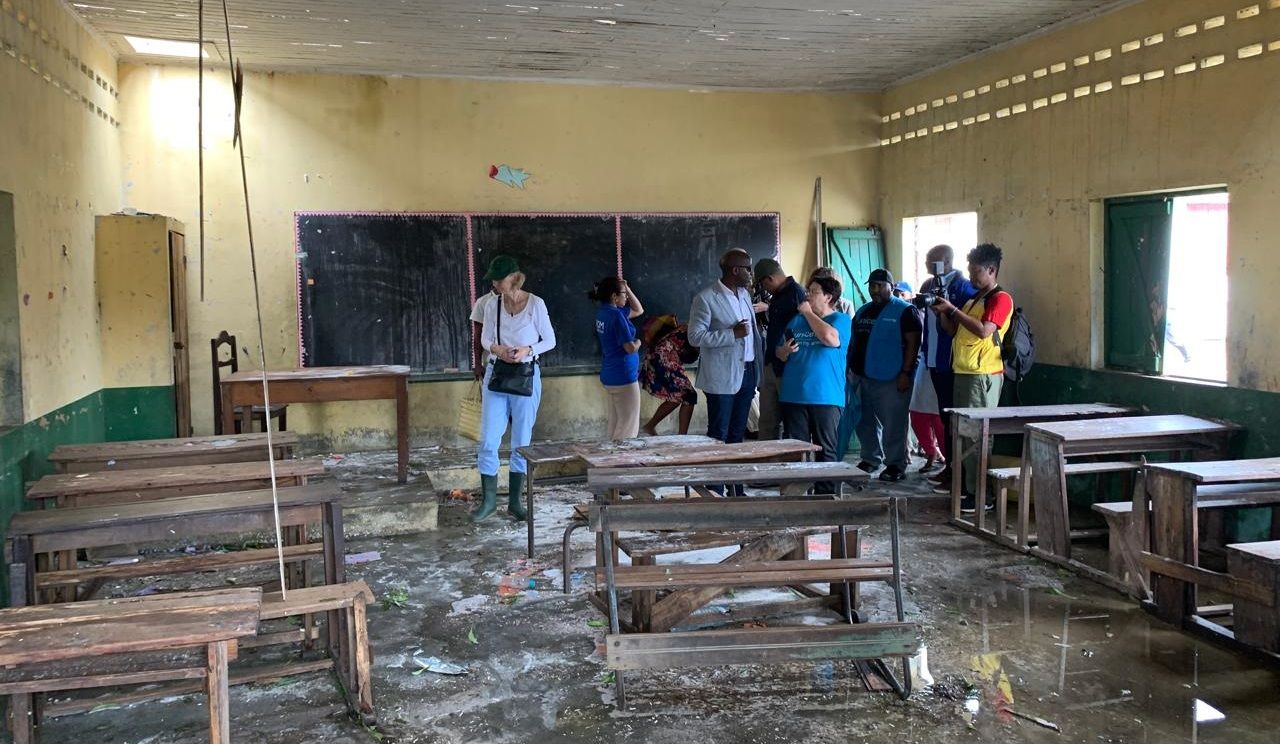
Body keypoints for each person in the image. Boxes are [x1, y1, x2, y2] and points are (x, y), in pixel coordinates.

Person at [930, 243, 1013, 512]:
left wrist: (953, 310)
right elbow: (952, 331)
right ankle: (969, 489)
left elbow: (984, 331)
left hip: (982, 375)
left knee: (978, 436)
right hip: (964, 372)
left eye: (976, 271)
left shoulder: (1001, 299)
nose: (971, 276)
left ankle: (981, 496)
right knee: (964, 435)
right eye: (970, 270)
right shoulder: (973, 300)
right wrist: (944, 312)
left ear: (992, 270)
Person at [473, 256, 557, 523]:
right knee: (488, 439)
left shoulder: (536, 304)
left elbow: (550, 340)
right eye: (494, 280)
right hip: (497, 374)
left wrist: (527, 350)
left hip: (526, 374)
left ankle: (515, 502)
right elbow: (485, 338)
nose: (496, 284)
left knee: (521, 440)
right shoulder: (491, 304)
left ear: (515, 278)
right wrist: (497, 349)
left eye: (500, 279)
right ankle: (488, 502)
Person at [776, 275, 851, 492]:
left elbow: (830, 339)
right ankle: (796, 496)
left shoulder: (840, 320)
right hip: (793, 394)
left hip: (825, 396)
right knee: (794, 450)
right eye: (807, 290)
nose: (807, 295)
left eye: (813, 291)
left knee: (825, 450)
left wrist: (808, 313)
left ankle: (825, 497)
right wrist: (784, 351)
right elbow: (780, 352)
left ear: (828, 297)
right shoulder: (796, 321)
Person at [848, 268, 921, 482]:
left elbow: (913, 344)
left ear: (891, 286)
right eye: (872, 286)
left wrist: (906, 373)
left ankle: (895, 464)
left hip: (892, 378)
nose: (875, 290)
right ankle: (870, 458)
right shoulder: (863, 311)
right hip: (862, 376)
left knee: (893, 424)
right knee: (864, 421)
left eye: (880, 286)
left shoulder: (905, 311)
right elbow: (853, 342)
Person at [689, 248, 763, 456]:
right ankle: (716, 477)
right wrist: (732, 334)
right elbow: (695, 337)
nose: (751, 273)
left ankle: (735, 478)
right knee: (719, 433)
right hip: (721, 376)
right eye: (748, 269)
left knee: (738, 433)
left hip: (748, 372)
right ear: (735, 270)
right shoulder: (706, 298)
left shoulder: (745, 295)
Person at [917, 245, 977, 491]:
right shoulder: (930, 285)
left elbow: (966, 320)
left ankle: (959, 473)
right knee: (945, 418)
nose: (928, 265)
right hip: (933, 360)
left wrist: (948, 308)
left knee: (954, 420)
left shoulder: (963, 287)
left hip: (951, 362)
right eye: (927, 260)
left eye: (933, 261)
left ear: (947, 262)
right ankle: (951, 468)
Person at [753, 258, 807, 441]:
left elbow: (803, 330)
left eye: (763, 284)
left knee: (791, 421)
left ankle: (792, 457)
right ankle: (767, 456)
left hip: (788, 367)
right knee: (767, 420)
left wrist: (786, 352)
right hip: (771, 363)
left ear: (769, 278)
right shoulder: (777, 295)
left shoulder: (796, 293)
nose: (763, 289)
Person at [809, 267, 859, 460]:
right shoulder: (806, 309)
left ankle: (837, 459)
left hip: (837, 369)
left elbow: (843, 339)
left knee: (832, 428)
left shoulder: (844, 308)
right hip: (815, 375)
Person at [589, 276, 645, 441]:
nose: (626, 297)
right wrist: (639, 342)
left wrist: (627, 288)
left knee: (616, 424)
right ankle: (622, 456)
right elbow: (629, 348)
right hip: (624, 377)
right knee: (628, 427)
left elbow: (639, 310)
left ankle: (609, 455)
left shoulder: (604, 312)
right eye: (623, 294)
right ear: (614, 296)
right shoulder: (617, 316)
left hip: (611, 374)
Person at [639, 315, 699, 435]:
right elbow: (697, 351)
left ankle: (651, 426)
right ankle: (681, 436)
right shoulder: (698, 331)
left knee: (684, 395)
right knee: (687, 395)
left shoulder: (693, 326)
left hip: (659, 358)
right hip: (664, 359)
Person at [470, 264, 505, 380]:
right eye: (497, 279)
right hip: (491, 362)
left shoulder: (519, 300)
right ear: (493, 281)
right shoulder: (483, 302)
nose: (501, 283)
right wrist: (477, 364)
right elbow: (477, 336)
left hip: (516, 361)